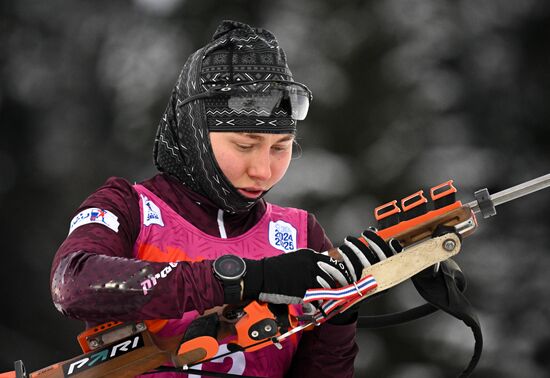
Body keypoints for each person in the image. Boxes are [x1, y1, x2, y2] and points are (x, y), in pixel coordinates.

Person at [50, 20, 396, 377]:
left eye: (281, 148)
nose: (263, 170)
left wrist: (340, 311)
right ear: (195, 131)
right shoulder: (129, 207)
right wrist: (242, 278)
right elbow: (72, 284)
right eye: (245, 145)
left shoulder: (299, 232)